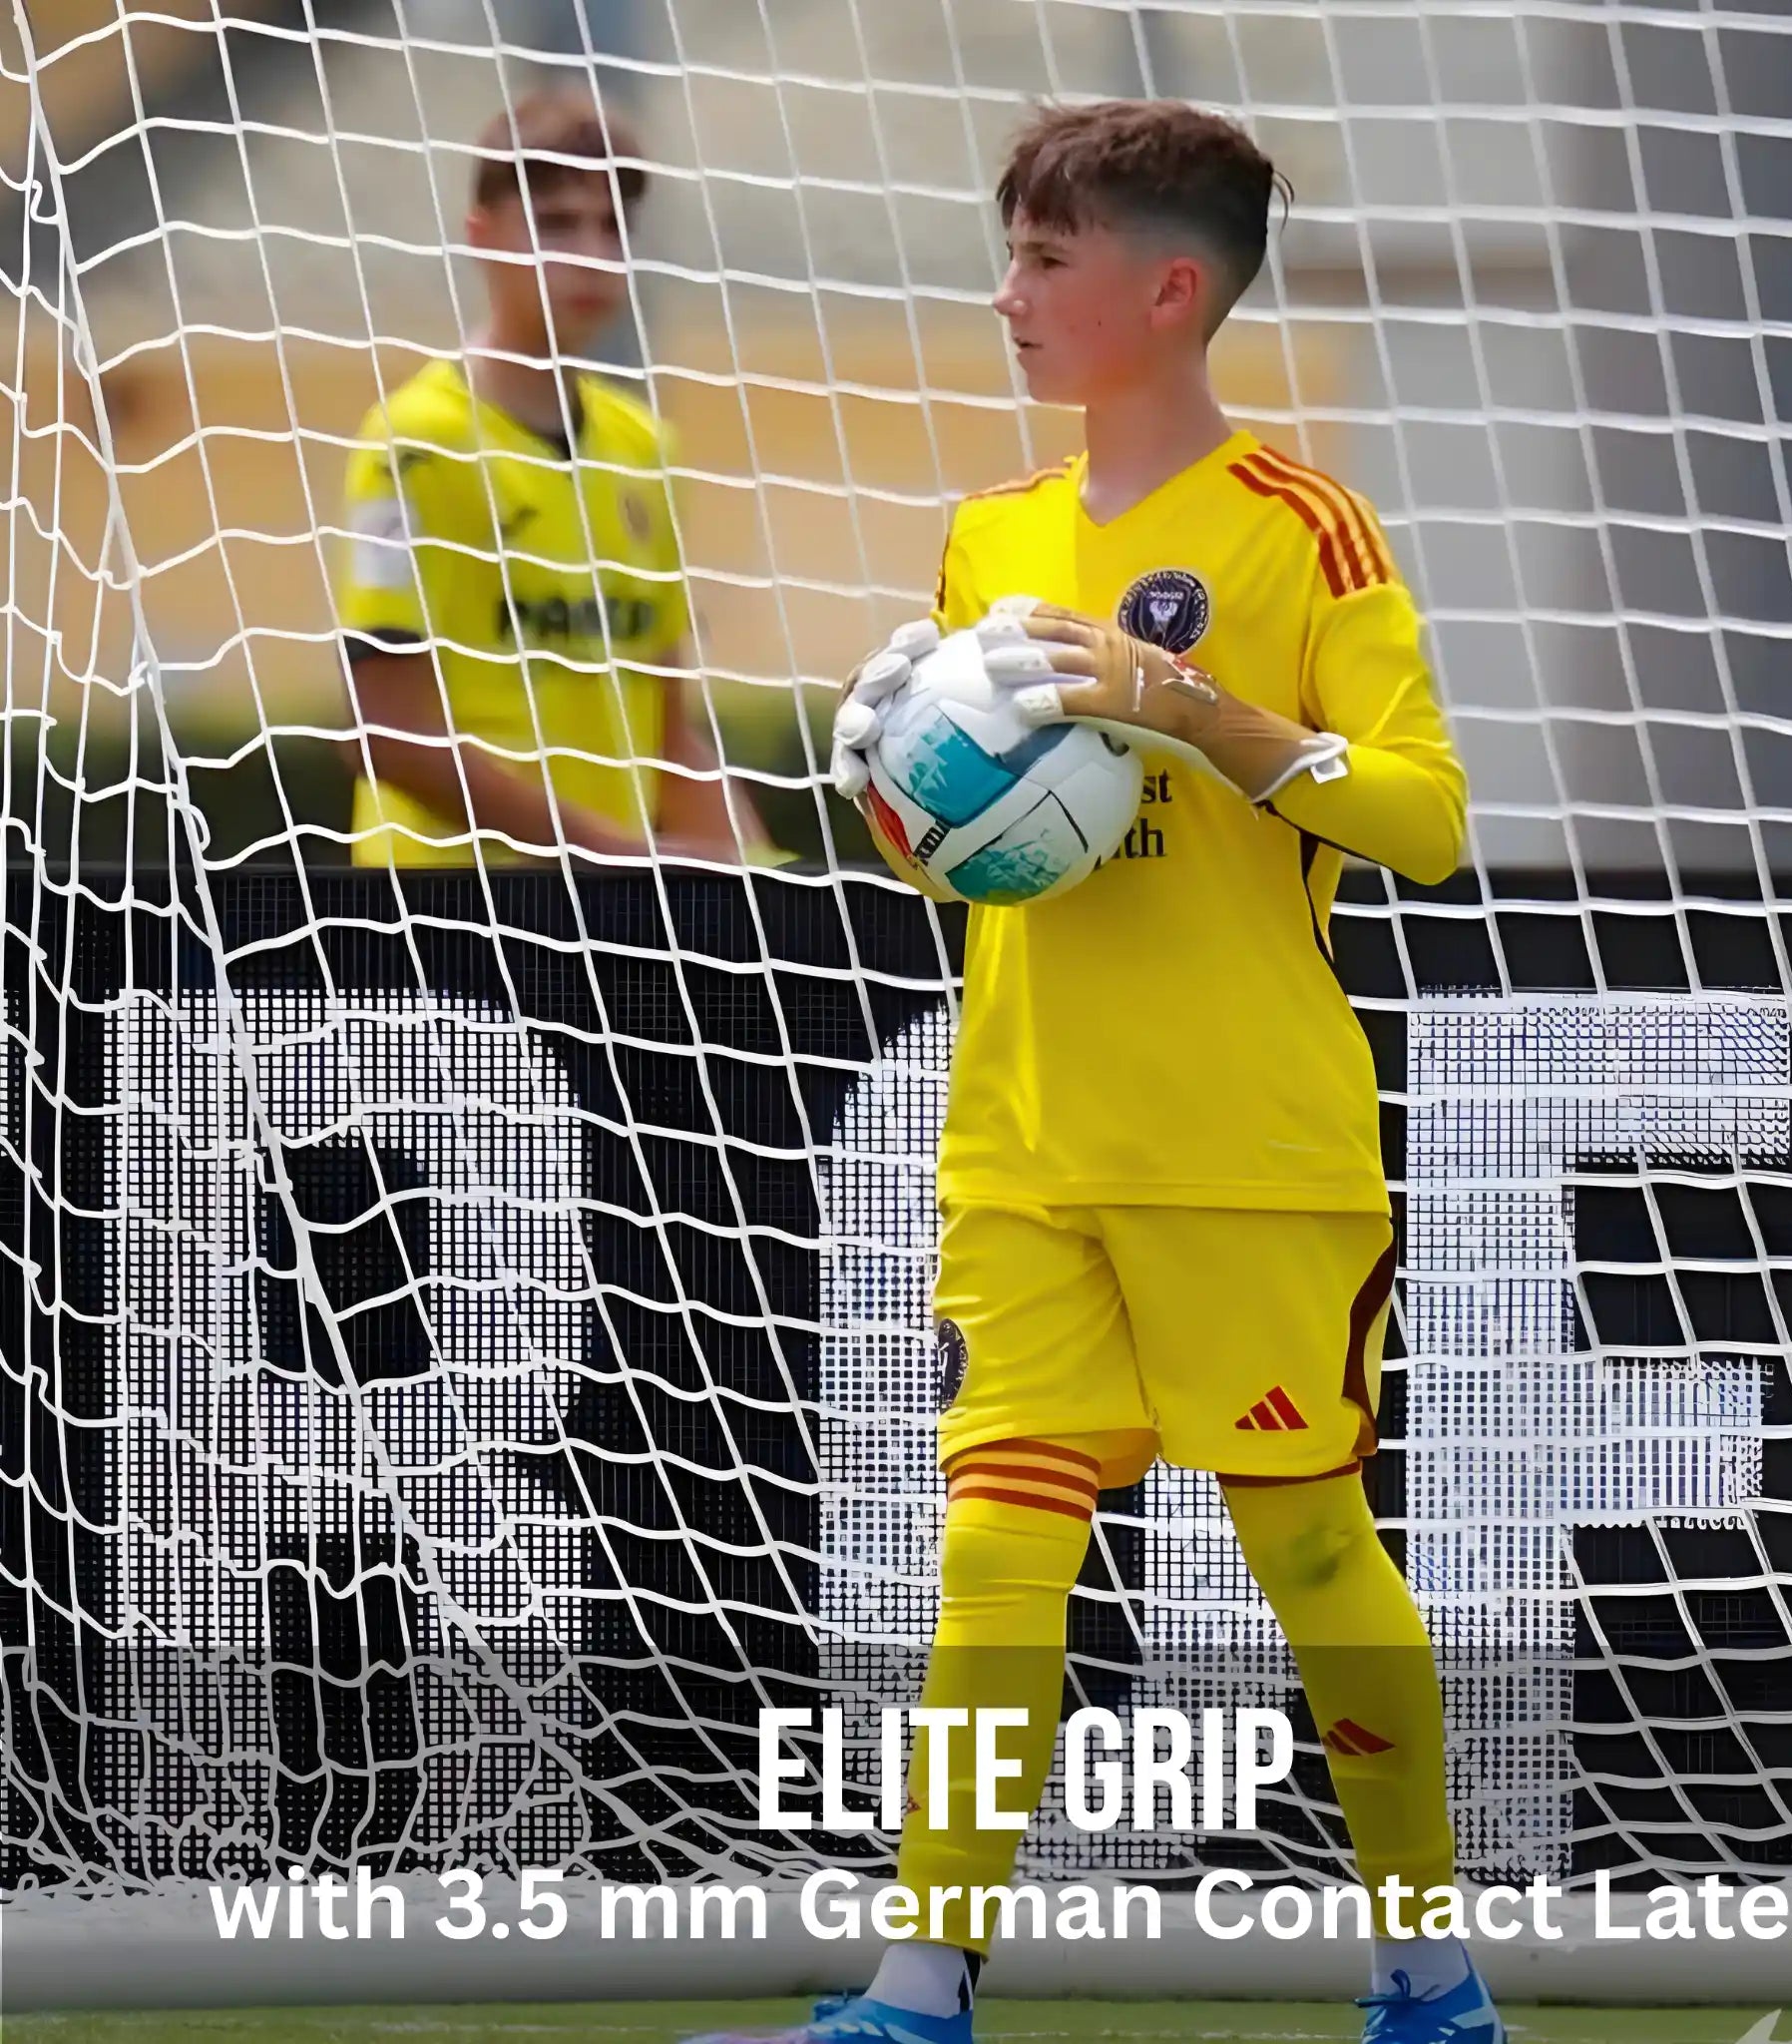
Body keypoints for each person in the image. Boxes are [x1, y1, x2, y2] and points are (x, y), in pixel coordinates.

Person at [687, 100, 1494, 2044]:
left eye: (1048, 260)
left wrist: (1196, 711)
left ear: (1167, 287)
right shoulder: (988, 535)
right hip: (1024, 1134)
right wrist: (900, 793)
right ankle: (916, 1987)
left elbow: (1427, 821)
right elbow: (988, 845)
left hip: (1241, 1146)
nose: (1011, 295)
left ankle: (1428, 1971)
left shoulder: (1304, 529)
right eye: (1011, 253)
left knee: (1307, 1542)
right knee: (991, 1539)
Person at [335, 88, 763, 868]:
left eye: (613, 229)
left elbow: (665, 730)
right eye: (558, 226)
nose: (593, 257)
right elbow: (385, 734)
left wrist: (772, 886)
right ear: (482, 236)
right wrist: (614, 855)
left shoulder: (646, 447)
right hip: (441, 929)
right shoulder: (413, 441)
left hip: (613, 932)